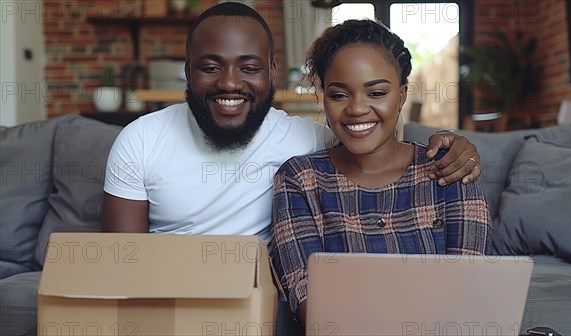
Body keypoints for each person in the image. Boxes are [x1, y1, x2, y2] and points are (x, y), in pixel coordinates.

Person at [101, 2, 482, 244]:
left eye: (248, 68)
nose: (230, 83)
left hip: (250, 299)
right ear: (187, 71)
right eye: (210, 67)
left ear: (271, 72)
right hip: (164, 298)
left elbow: (375, 147)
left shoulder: (309, 142)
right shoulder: (141, 140)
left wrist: (453, 145)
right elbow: (124, 263)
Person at [270, 19, 493, 326]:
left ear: (401, 95)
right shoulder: (299, 181)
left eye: (376, 93)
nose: (357, 109)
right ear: (323, 97)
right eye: (338, 95)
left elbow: (469, 292)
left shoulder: (449, 170)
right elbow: (313, 306)